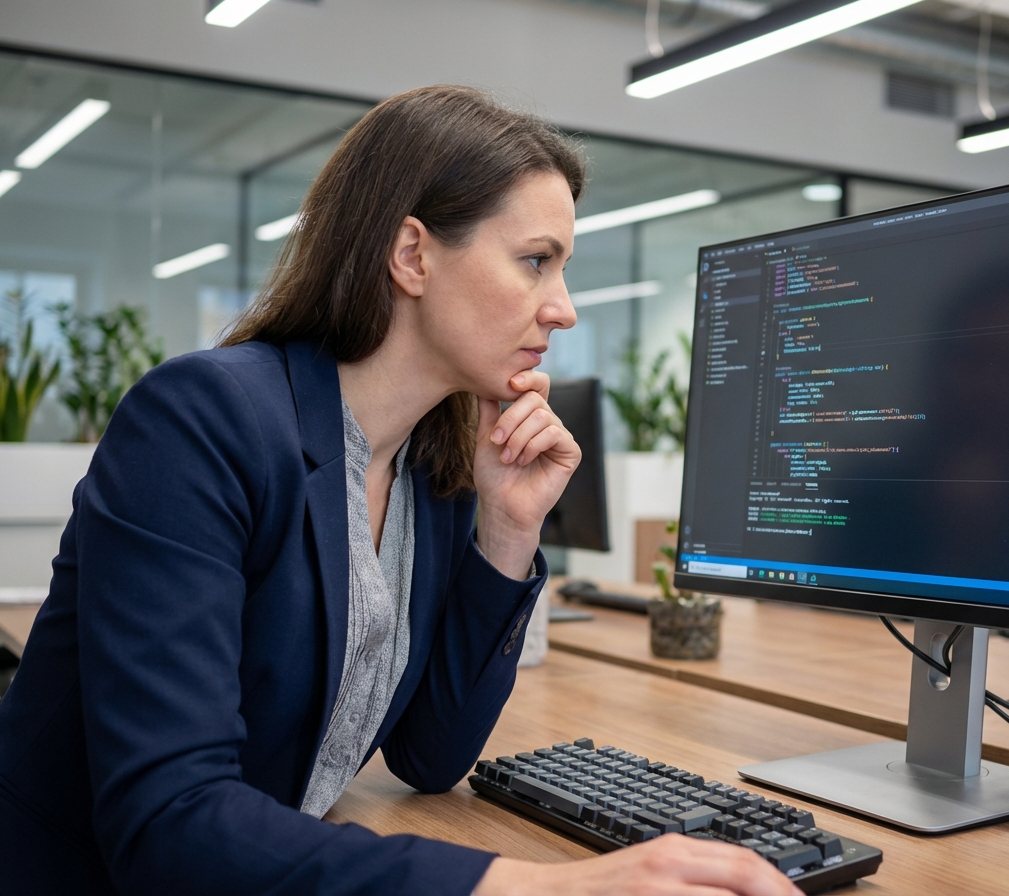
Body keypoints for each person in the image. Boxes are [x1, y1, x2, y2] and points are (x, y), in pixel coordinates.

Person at [0, 85, 800, 896]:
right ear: (413, 255)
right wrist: (549, 888)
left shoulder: (435, 464)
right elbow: (171, 824)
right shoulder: (202, 422)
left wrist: (508, 528)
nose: (562, 308)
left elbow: (430, 756)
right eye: (535, 261)